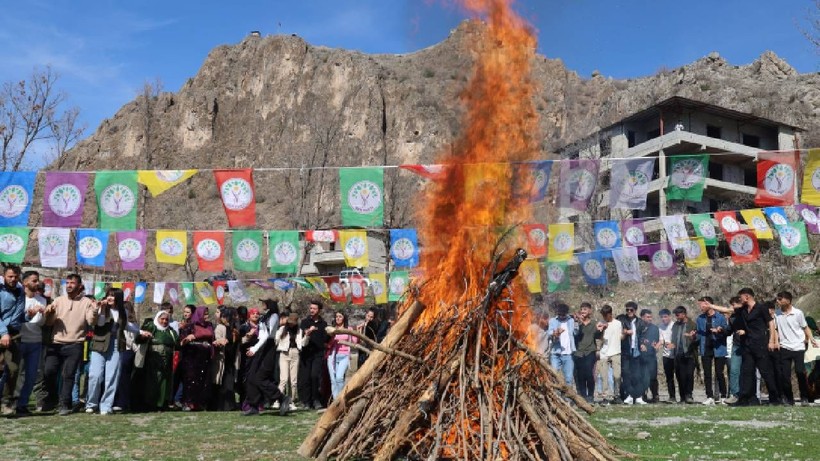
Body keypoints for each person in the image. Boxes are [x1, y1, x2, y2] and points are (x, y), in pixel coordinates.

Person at [85, 289, 149, 415]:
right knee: (95, 376)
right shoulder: (100, 308)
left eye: (113, 296)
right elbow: (100, 323)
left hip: (116, 344)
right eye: (108, 295)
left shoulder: (123, 311)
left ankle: (106, 406)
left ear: (118, 298)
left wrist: (141, 331)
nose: (109, 298)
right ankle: (91, 403)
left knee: (112, 377)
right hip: (99, 344)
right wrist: (102, 309)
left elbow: (127, 326)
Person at [43, 274, 98, 415]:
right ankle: (51, 400)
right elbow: (49, 322)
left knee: (69, 375)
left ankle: (64, 404)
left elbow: (91, 322)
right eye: (67, 283)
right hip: (56, 343)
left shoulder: (86, 302)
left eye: (72, 283)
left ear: (79, 286)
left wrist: (95, 310)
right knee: (49, 371)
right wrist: (49, 313)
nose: (69, 285)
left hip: (75, 344)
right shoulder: (59, 300)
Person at [731, 288, 780, 406]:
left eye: (741, 297)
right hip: (747, 345)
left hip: (760, 345)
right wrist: (712, 305)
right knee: (746, 372)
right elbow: (728, 310)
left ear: (747, 296)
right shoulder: (743, 309)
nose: (740, 299)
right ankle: (747, 399)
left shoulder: (761, 308)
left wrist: (772, 341)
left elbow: (771, 323)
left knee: (766, 372)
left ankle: (775, 398)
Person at [242, 299, 290, 416]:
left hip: (268, 348)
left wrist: (254, 348)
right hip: (261, 346)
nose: (262, 305)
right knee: (251, 376)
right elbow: (262, 334)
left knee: (261, 378)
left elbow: (267, 335)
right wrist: (255, 347)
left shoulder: (274, 316)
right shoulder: (265, 316)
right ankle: (254, 405)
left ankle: (281, 397)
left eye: (264, 303)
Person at [12, 270, 46, 416]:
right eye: (34, 280)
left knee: (31, 375)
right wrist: (29, 314)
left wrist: (44, 314)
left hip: (35, 341)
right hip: (19, 339)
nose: (37, 283)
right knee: (16, 373)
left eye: (37, 280)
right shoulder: (18, 298)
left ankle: (23, 404)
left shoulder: (42, 300)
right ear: (25, 282)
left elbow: (40, 323)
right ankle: (11, 402)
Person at [774, 291, 816, 405]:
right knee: (785, 375)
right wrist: (776, 341)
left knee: (800, 372)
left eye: (780, 299)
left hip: (798, 347)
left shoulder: (798, 313)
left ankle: (804, 397)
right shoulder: (777, 314)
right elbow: (776, 330)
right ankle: (789, 398)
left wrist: (811, 339)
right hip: (784, 347)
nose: (777, 301)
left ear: (787, 300)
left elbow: (805, 327)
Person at [138, 310, 178, 411]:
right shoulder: (152, 327)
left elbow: (178, 344)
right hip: (152, 361)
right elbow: (139, 339)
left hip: (167, 362)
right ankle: (150, 404)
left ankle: (161, 404)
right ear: (158, 319)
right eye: (162, 319)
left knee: (165, 382)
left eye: (166, 319)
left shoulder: (171, 331)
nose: (164, 321)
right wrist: (143, 336)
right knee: (152, 382)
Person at [0, 265, 26, 415]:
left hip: (15, 334)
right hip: (1, 332)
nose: (13, 279)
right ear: (4, 276)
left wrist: (29, 316)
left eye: (15, 276)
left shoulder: (20, 292)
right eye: (10, 276)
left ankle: (6, 402)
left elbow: (18, 316)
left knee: (13, 369)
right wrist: (3, 333)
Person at [178, 307, 214, 411]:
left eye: (207, 314)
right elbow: (181, 342)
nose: (207, 316)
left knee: (204, 380)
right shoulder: (190, 326)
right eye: (205, 314)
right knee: (191, 380)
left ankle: (200, 403)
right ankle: (188, 403)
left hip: (205, 358)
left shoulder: (209, 326)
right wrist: (189, 338)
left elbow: (212, 338)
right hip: (192, 357)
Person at [695, 296, 729, 405]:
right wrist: (693, 336)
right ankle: (709, 396)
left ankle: (723, 396)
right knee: (707, 373)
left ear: (708, 304)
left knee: (719, 373)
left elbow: (726, 331)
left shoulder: (720, 317)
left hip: (719, 347)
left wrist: (719, 330)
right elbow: (699, 334)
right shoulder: (700, 318)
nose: (700, 307)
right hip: (705, 348)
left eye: (702, 305)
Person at [298, 300, 329, 410]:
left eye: (314, 308)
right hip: (306, 355)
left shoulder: (323, 324)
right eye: (311, 308)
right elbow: (301, 337)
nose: (312, 310)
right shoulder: (304, 322)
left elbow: (326, 339)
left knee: (315, 376)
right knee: (305, 378)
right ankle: (306, 402)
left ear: (319, 310)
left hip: (318, 354)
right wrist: (308, 332)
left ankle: (316, 400)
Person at [113, 300, 141, 413]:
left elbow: (130, 340)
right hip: (121, 350)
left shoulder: (130, 324)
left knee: (123, 378)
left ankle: (122, 402)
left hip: (126, 351)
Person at [210, 307, 238, 411]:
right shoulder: (220, 327)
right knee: (221, 382)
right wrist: (220, 341)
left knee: (229, 382)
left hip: (230, 359)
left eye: (225, 316)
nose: (224, 318)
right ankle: (220, 405)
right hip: (222, 359)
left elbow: (237, 342)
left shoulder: (233, 329)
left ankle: (229, 405)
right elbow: (218, 338)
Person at [327, 310, 358, 400]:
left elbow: (354, 341)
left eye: (340, 316)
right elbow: (328, 342)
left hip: (344, 355)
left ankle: (340, 399)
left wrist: (357, 333)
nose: (338, 318)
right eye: (336, 316)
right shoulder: (332, 329)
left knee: (339, 378)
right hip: (333, 356)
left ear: (344, 318)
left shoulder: (349, 329)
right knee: (333, 380)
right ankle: (335, 400)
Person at [669, 306, 697, 404]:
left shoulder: (692, 324)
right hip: (678, 354)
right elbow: (673, 338)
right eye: (675, 314)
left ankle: (689, 395)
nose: (676, 316)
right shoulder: (675, 325)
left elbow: (697, 339)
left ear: (684, 314)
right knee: (680, 376)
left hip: (689, 354)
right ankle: (682, 397)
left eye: (678, 314)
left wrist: (692, 337)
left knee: (689, 375)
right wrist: (672, 345)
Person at [596, 304, 622, 404]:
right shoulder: (600, 323)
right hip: (604, 353)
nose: (604, 317)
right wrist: (602, 329)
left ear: (610, 314)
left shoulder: (618, 323)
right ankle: (605, 396)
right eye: (603, 315)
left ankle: (617, 395)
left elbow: (621, 337)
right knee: (604, 376)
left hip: (616, 351)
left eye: (605, 315)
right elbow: (599, 338)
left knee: (617, 375)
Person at [620, 301, 645, 405]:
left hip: (636, 351)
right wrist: (625, 332)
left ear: (635, 310)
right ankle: (629, 395)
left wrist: (643, 343)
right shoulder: (621, 319)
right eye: (627, 310)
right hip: (625, 351)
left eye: (631, 310)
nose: (629, 311)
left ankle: (638, 396)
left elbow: (643, 335)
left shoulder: (640, 322)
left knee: (637, 374)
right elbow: (617, 330)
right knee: (626, 374)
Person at [276, 312, 302, 407]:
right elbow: (276, 339)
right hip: (284, 354)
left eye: (293, 322)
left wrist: (307, 336)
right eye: (289, 322)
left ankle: (292, 401)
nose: (291, 324)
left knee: (293, 380)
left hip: (295, 353)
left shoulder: (299, 331)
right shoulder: (282, 329)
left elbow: (302, 343)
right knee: (283, 379)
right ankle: (277, 399)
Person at [573, 302, 597, 403]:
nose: (583, 311)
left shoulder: (594, 323)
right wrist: (577, 322)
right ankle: (583, 396)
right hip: (578, 352)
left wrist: (601, 330)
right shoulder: (576, 323)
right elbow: (575, 333)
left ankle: (590, 395)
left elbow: (599, 335)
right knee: (580, 375)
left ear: (590, 311)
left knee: (589, 373)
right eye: (582, 309)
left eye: (585, 309)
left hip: (590, 351)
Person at [237, 307, 260, 407]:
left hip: (258, 356)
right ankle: (245, 402)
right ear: (249, 316)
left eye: (257, 313)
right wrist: (248, 336)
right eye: (253, 313)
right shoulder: (243, 327)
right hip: (246, 357)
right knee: (246, 379)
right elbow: (240, 343)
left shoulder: (262, 327)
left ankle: (258, 402)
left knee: (258, 378)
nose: (255, 315)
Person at [638, 309, 660, 403]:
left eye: (651, 317)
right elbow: (635, 338)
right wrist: (641, 344)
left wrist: (655, 346)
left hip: (651, 356)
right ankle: (643, 395)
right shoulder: (638, 327)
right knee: (642, 376)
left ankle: (655, 395)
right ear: (642, 317)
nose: (650, 319)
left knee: (653, 377)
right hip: (640, 356)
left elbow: (656, 340)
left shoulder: (654, 328)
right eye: (648, 317)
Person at [657, 308, 676, 403]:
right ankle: (672, 396)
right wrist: (658, 345)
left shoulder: (675, 325)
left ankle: (684, 396)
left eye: (665, 317)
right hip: (666, 355)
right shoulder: (660, 327)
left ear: (670, 316)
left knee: (680, 376)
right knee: (669, 377)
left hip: (676, 355)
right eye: (662, 317)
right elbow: (661, 340)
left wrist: (673, 345)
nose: (663, 319)